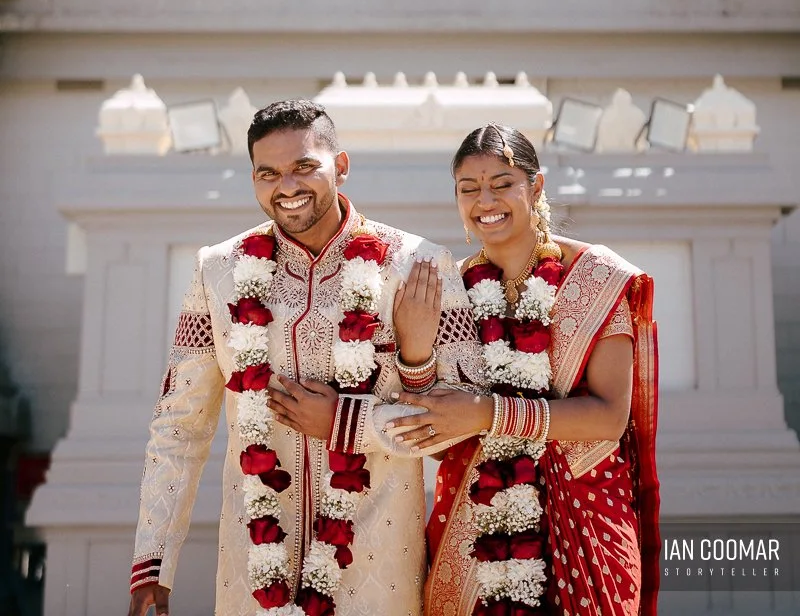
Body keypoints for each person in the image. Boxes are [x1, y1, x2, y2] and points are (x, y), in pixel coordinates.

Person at [128, 98, 484, 616]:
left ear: (340, 166)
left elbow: (462, 425)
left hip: (375, 567)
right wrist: (152, 562)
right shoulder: (218, 272)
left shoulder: (418, 265)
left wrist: (348, 418)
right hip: (253, 568)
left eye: (303, 167)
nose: (286, 187)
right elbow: (178, 425)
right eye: (267, 173)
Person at [387, 123, 660, 616]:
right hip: (477, 518)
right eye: (468, 189)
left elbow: (608, 416)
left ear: (536, 187)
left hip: (587, 514)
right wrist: (415, 351)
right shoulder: (453, 290)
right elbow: (435, 427)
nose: (484, 200)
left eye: (501, 184)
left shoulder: (594, 277)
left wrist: (487, 414)